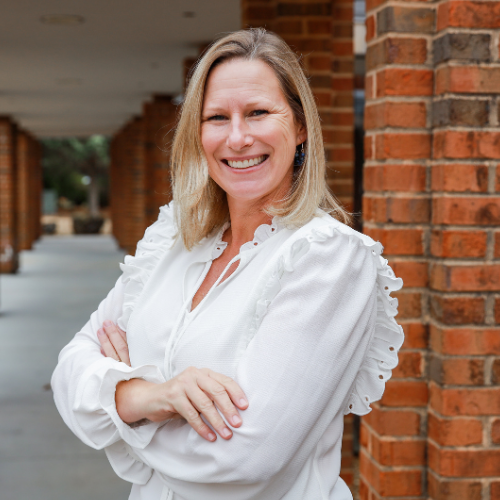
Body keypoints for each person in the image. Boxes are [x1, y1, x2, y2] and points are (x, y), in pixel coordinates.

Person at [52, 28, 404, 500]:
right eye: (217, 117)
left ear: (300, 127)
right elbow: (67, 373)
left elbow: (245, 461)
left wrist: (118, 403)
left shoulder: (328, 259)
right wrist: (155, 396)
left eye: (258, 112)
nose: (237, 138)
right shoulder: (175, 241)